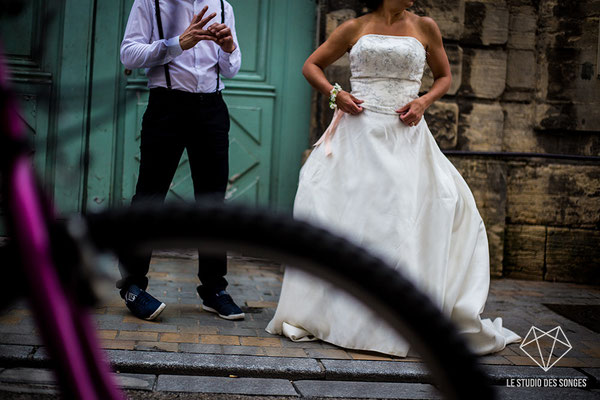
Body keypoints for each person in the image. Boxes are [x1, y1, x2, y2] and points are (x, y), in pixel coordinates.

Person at [266, 0, 522, 357]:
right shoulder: (354, 27)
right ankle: (343, 315)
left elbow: (444, 77)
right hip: (358, 137)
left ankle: (393, 318)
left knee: (403, 219)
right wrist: (335, 94)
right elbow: (312, 65)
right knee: (354, 220)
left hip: (405, 136)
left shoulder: (425, 26)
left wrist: (423, 102)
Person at [118, 0, 245, 321]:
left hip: (212, 109)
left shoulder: (222, 5)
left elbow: (231, 68)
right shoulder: (151, 2)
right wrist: (176, 44)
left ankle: (214, 288)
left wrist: (228, 47)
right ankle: (133, 285)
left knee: (213, 201)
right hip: (167, 107)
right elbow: (128, 53)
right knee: (149, 196)